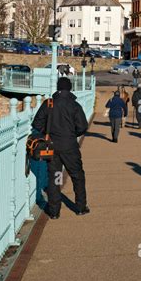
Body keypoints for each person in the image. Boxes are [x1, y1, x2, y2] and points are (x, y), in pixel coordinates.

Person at [32, 77, 89, 218]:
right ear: (69, 88)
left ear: (58, 88)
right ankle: (80, 207)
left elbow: (37, 125)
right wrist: (71, 134)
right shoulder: (74, 105)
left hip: (52, 147)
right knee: (77, 176)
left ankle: (54, 212)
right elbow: (82, 127)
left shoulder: (49, 104)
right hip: (70, 147)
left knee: (55, 177)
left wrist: (49, 130)